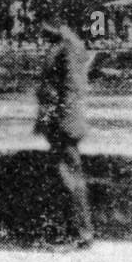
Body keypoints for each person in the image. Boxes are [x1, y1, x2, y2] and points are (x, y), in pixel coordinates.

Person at [33, 17, 93, 248]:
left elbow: (72, 89)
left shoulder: (69, 48)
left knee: (69, 177)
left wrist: (60, 121)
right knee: (65, 176)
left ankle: (81, 234)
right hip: (59, 123)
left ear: (56, 25)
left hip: (64, 124)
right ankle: (75, 232)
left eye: (42, 26)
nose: (40, 32)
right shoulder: (64, 46)